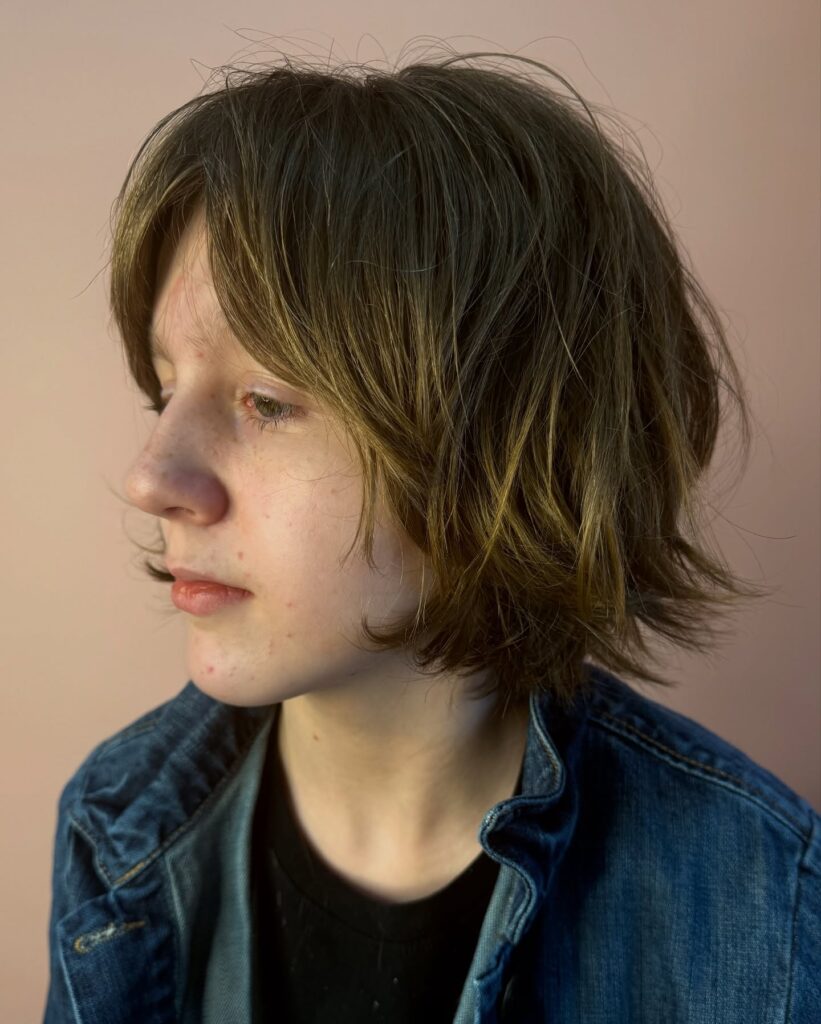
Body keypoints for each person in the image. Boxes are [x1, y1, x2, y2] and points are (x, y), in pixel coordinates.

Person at [43, 49, 819, 1023]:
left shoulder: (759, 899)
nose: (153, 477)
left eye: (267, 401)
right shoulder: (119, 825)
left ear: (505, 448)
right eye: (164, 391)